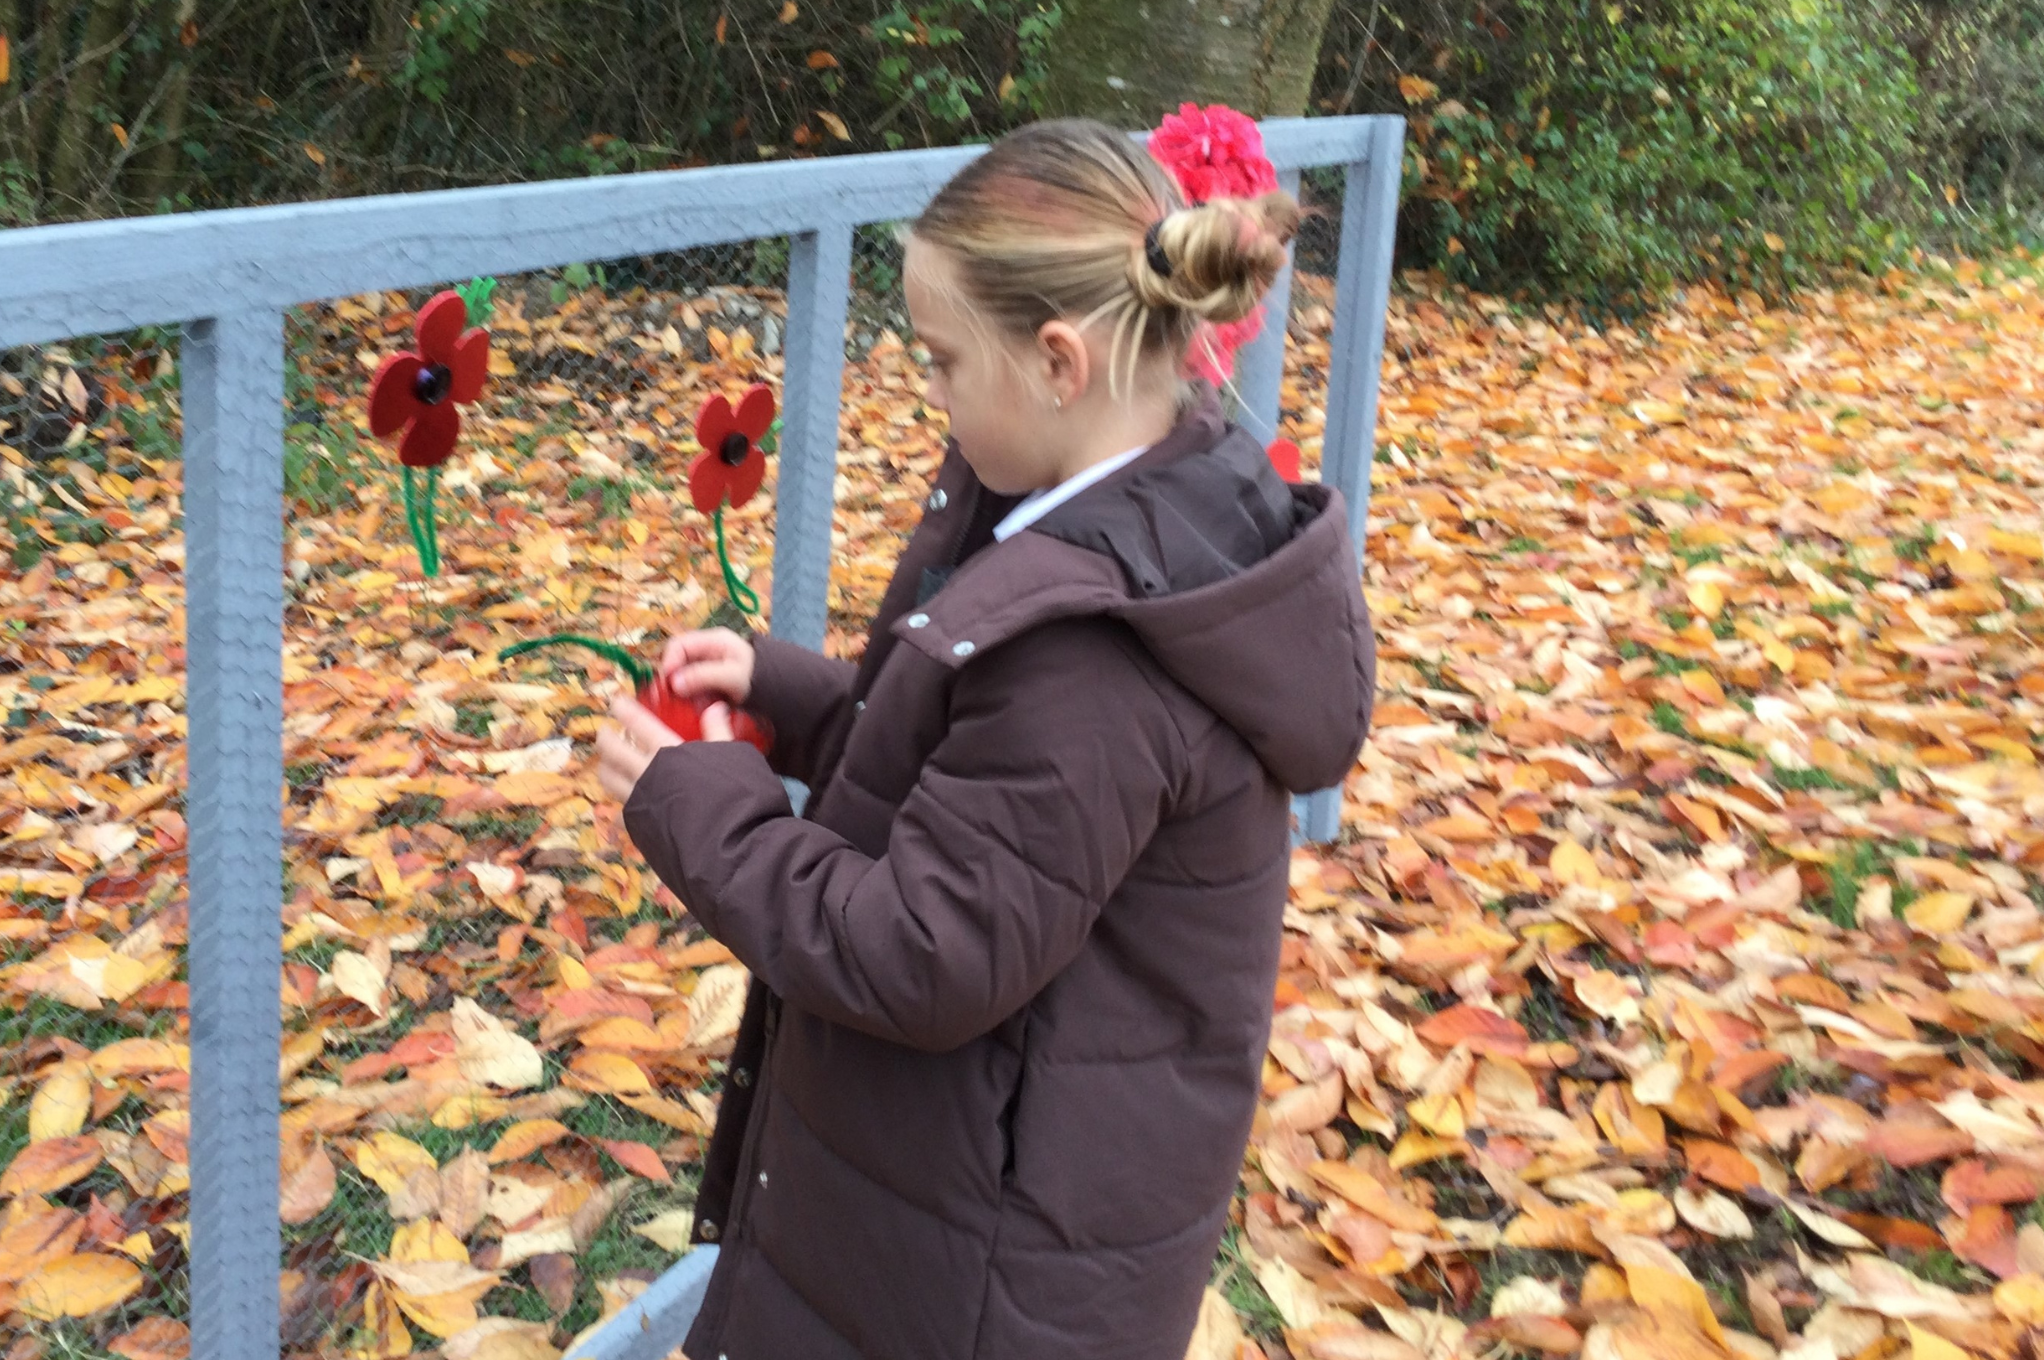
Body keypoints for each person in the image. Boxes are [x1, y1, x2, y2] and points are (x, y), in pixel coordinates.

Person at [594, 118, 1377, 1360]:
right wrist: (790, 693)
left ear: (1058, 361)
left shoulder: (1093, 651)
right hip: (990, 1197)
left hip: (984, 1280)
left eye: (945, 361)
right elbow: (980, 780)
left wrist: (706, 803)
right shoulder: (1158, 505)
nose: (935, 392)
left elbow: (921, 950)